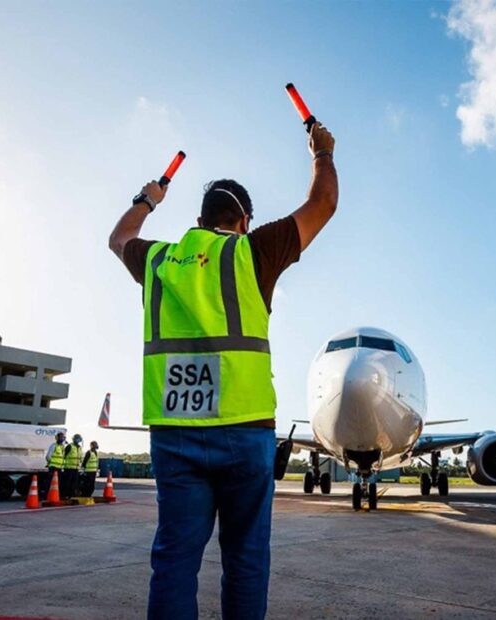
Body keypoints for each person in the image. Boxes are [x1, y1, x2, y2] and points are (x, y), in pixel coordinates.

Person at [109, 121, 337, 619]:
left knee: (174, 560)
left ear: (199, 218)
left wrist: (148, 199)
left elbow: (119, 237)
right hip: (244, 428)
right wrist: (322, 153)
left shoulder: (159, 261)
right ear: (245, 221)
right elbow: (322, 206)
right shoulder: (252, 251)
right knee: (246, 560)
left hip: (175, 432)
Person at [43, 432, 66, 498]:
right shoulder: (53, 445)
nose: (62, 438)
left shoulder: (62, 447)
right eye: (60, 437)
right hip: (53, 467)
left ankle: (55, 496)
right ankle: (46, 496)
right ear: (57, 438)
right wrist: (51, 463)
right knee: (50, 482)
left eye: (62, 437)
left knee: (57, 483)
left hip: (59, 468)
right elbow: (48, 456)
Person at [62, 433, 83, 499]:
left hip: (76, 468)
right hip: (68, 468)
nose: (78, 440)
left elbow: (80, 458)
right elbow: (63, 456)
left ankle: (71, 495)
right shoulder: (69, 446)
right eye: (77, 438)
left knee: (74, 483)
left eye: (79, 438)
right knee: (67, 483)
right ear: (74, 439)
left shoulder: (79, 448)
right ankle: (65, 495)